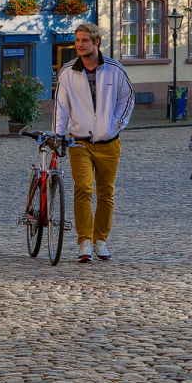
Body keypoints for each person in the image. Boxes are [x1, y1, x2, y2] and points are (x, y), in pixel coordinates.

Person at [54, 21, 134, 262]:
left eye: (85, 40)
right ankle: (84, 241)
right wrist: (58, 135)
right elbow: (61, 107)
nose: (80, 44)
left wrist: (116, 123)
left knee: (106, 192)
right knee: (83, 189)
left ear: (96, 42)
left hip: (109, 142)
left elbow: (127, 97)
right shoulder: (68, 72)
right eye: (77, 40)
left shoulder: (114, 69)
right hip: (79, 141)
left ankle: (101, 239)